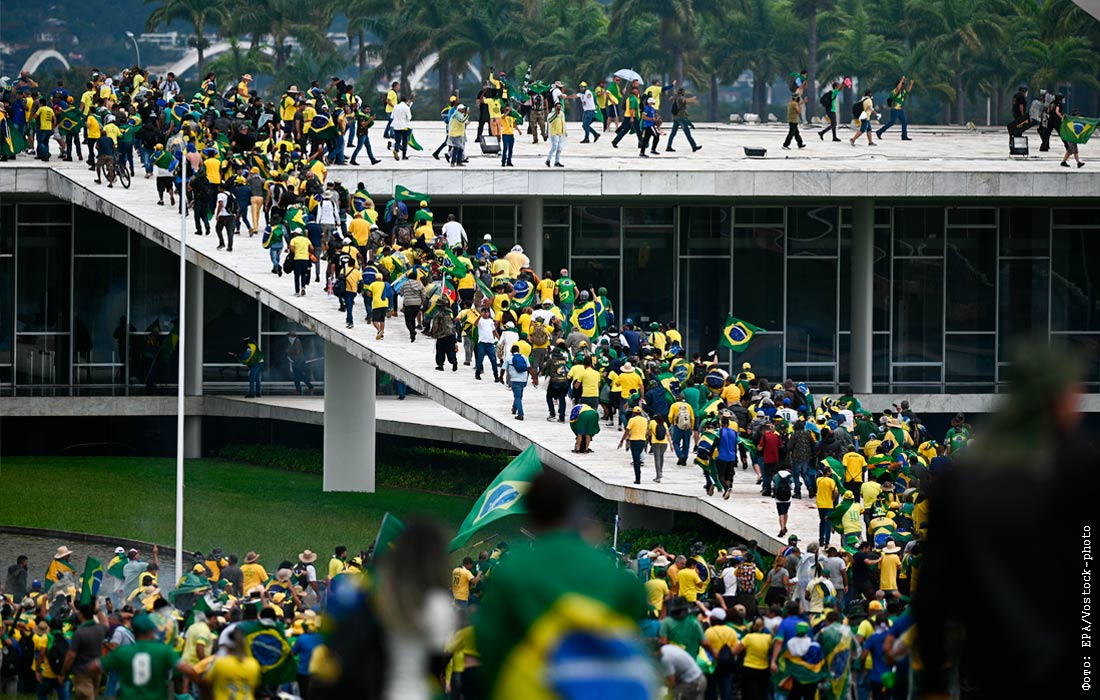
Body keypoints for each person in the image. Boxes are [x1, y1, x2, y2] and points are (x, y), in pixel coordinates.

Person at [93, 614, 199, 700]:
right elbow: (186, 669)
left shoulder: (121, 652)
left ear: (134, 631)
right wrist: (203, 684)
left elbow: (95, 666)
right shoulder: (163, 651)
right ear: (151, 631)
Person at [877, 76, 915, 140]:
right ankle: (879, 132)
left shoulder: (902, 92)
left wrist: (911, 84)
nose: (902, 86)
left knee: (904, 122)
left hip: (900, 110)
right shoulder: (895, 91)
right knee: (891, 122)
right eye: (901, 85)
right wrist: (902, 80)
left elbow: (908, 90)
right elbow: (898, 88)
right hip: (895, 110)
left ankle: (904, 136)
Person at [506, 344, 537, 420]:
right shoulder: (524, 357)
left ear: (511, 351)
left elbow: (503, 369)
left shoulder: (509, 358)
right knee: (519, 396)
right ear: (519, 350)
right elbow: (529, 368)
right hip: (523, 380)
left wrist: (500, 377)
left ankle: (520, 414)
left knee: (517, 397)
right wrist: (534, 378)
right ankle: (514, 408)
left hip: (514, 380)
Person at [619, 406, 649, 485]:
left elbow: (627, 431)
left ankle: (638, 478)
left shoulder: (632, 420)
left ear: (634, 413)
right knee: (638, 458)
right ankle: (638, 475)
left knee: (636, 460)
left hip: (634, 441)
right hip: (642, 441)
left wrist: (622, 441)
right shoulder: (645, 420)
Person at [474, 307, 500, 382]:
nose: (485, 313)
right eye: (484, 312)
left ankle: (496, 376)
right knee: (480, 359)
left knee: (493, 359)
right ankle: (477, 373)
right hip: (482, 342)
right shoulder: (480, 320)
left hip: (490, 343)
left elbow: (494, 331)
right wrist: (480, 316)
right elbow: (475, 324)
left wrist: (499, 338)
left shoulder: (490, 321)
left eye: (487, 312)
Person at [772, 465, 794, 538]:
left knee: (780, 513)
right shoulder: (790, 476)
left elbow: (772, 485)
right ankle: (784, 525)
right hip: (788, 498)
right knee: (785, 512)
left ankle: (782, 528)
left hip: (778, 498)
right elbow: (792, 486)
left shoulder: (776, 476)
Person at [648, 412, 669, 483]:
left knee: (657, 458)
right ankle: (661, 471)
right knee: (661, 456)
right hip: (664, 443)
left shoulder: (652, 422)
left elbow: (649, 433)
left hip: (655, 442)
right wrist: (671, 445)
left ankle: (658, 476)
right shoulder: (664, 423)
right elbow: (667, 434)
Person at [390, 94, 413, 160]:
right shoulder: (406, 107)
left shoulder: (395, 107)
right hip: (404, 126)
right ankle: (404, 156)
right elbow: (409, 118)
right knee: (405, 142)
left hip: (396, 126)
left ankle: (396, 149)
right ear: (406, 101)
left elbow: (392, 117)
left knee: (397, 140)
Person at [546, 101, 565, 167]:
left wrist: (564, 131)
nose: (559, 108)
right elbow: (549, 121)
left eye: (560, 107)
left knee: (559, 148)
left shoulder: (562, 114)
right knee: (554, 147)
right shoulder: (551, 114)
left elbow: (563, 123)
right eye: (557, 107)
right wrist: (555, 115)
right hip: (554, 133)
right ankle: (548, 160)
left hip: (561, 133)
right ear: (555, 107)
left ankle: (557, 162)